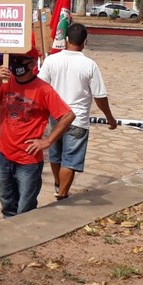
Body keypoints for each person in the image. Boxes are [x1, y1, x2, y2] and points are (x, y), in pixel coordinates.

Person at [0, 50, 75, 217]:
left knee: (26, 210)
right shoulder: (6, 82)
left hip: (28, 160)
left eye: (20, 60)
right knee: (7, 204)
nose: (15, 63)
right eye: (13, 60)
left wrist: (47, 141)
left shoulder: (43, 89)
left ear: (32, 64)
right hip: (5, 156)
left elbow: (68, 116)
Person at [37, 23, 117, 200]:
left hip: (55, 117)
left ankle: (59, 185)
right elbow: (100, 96)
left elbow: (40, 88)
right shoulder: (89, 65)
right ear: (84, 42)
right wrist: (110, 118)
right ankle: (62, 193)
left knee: (56, 155)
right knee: (70, 159)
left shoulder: (51, 60)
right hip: (77, 119)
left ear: (66, 40)